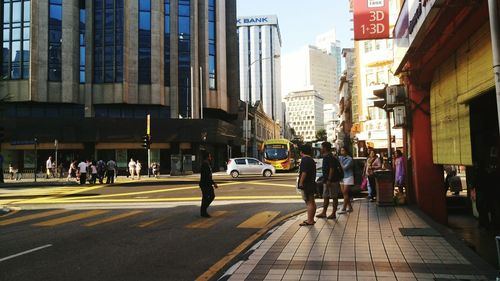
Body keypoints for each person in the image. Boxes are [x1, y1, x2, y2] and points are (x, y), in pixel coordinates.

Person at [316, 142, 342, 220]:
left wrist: (329, 180)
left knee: (334, 197)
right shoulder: (326, 157)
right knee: (325, 196)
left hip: (332, 181)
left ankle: (333, 213)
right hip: (326, 180)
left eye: (322, 147)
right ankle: (324, 212)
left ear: (325, 148)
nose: (321, 149)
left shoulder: (330, 157)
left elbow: (332, 169)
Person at [297, 144, 317, 226]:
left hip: (306, 184)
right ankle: (311, 219)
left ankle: (310, 221)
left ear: (301, 152)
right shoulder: (311, 160)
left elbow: (304, 173)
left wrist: (301, 183)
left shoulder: (304, 160)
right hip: (311, 183)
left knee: (309, 202)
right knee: (312, 202)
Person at [199, 151, 218, 217]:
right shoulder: (205, 164)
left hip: (206, 183)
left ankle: (203, 211)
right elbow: (207, 176)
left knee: (205, 198)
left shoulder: (206, 164)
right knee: (211, 196)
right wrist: (213, 183)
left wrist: (213, 183)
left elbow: (208, 175)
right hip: (205, 184)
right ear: (207, 157)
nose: (210, 157)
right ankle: (203, 210)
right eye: (209, 156)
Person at [338, 147, 354, 214]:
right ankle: (350, 207)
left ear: (346, 151)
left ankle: (344, 208)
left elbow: (345, 168)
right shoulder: (339, 157)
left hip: (348, 176)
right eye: (341, 150)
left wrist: (340, 162)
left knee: (345, 192)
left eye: (343, 150)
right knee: (344, 193)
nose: (342, 152)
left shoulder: (349, 159)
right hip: (342, 177)